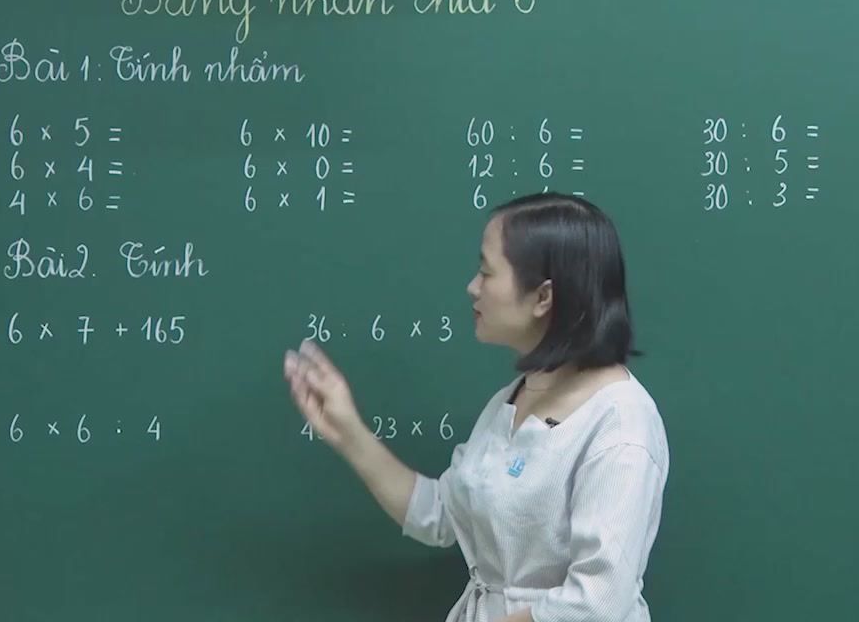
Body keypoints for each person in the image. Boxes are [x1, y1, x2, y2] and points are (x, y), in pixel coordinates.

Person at [283, 192, 670, 622]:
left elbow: (597, 602)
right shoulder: (513, 399)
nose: (473, 287)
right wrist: (347, 430)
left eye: (487, 272)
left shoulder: (619, 424)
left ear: (543, 297)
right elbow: (440, 515)